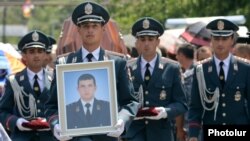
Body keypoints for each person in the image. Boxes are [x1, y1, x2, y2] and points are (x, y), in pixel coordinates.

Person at [45, 1, 139, 141]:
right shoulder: (65, 63)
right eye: (85, 26)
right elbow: (51, 106)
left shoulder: (116, 63)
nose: (90, 30)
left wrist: (122, 120)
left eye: (95, 26)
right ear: (78, 30)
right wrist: (56, 124)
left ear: (103, 29)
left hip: (106, 137)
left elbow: (130, 102)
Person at [123, 17, 187, 141]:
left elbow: (181, 104)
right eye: (142, 39)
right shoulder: (127, 67)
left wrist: (165, 111)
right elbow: (120, 100)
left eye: (151, 39)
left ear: (157, 42)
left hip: (161, 133)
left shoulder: (171, 68)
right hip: (135, 133)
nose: (146, 43)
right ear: (137, 43)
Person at [188, 19, 250, 141]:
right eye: (216, 39)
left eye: (224, 39)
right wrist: (193, 134)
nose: (220, 43)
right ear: (211, 40)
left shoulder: (245, 68)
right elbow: (195, 106)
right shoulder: (201, 69)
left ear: (232, 40)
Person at [0, 30, 55, 141]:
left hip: (50, 137)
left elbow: (61, 109)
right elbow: (2, 112)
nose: (36, 55)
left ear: (45, 54)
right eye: (31, 51)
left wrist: (54, 122)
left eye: (40, 51)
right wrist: (17, 122)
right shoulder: (13, 80)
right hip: (22, 137)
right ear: (24, 55)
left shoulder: (54, 79)